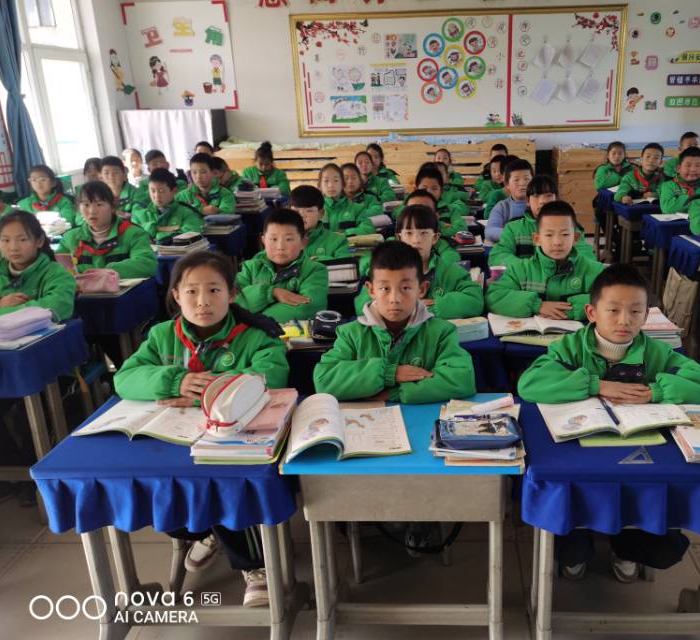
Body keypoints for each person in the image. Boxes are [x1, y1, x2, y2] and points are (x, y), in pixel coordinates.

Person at [518, 264, 700, 582]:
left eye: (635, 311)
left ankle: (627, 547)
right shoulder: (570, 348)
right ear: (592, 312)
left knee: (660, 541)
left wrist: (658, 391)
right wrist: (595, 385)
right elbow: (530, 383)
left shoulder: (656, 353)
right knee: (569, 529)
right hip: (581, 450)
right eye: (613, 310)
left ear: (646, 316)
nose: (624, 320)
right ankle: (577, 546)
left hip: (640, 451)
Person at [114, 250, 289, 608]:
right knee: (160, 488)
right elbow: (125, 378)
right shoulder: (163, 335)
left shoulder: (257, 336)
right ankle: (208, 529)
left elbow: (271, 377)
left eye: (214, 290)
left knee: (227, 482)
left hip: (232, 441)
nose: (202, 301)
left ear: (232, 294)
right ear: (176, 296)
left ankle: (254, 565)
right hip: (173, 439)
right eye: (191, 291)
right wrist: (174, 380)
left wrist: (206, 394)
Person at [314, 240, 475, 404]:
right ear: (371, 290)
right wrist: (389, 373)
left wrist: (396, 393)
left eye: (405, 288)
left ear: (421, 289)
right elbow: (324, 380)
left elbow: (462, 379)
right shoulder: (351, 334)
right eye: (385, 288)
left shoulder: (441, 332)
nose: (395, 299)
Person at [354, 205, 483, 319]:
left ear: (435, 238)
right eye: (409, 233)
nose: (416, 240)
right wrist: (407, 307)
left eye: (424, 233)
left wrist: (433, 307)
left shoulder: (448, 271)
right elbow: (362, 306)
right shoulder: (386, 269)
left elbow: (475, 301)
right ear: (399, 237)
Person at [486, 201, 606, 321]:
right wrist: (537, 305)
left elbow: (612, 298)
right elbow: (494, 296)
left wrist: (573, 309)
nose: (557, 242)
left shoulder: (594, 270)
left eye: (565, 234)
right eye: (549, 235)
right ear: (537, 239)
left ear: (575, 238)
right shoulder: (520, 269)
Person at [235, 207, 328, 323]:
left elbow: (307, 308)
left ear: (303, 242)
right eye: (273, 239)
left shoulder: (314, 270)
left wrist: (255, 321)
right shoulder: (250, 268)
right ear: (263, 241)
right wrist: (272, 292)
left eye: (288, 239)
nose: (280, 247)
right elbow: (233, 301)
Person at [57, 181, 157, 278]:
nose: (92, 211)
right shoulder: (69, 239)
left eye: (99, 204)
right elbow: (55, 269)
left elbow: (148, 265)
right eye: (86, 205)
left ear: (113, 207)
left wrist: (108, 271)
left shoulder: (133, 234)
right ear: (79, 208)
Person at [489, 175, 593, 267]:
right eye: (536, 196)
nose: (543, 201)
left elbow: (585, 255)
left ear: (556, 199)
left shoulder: (571, 227)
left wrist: (564, 267)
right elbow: (498, 255)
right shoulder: (513, 228)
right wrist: (529, 268)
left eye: (549, 196)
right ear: (527, 201)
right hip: (525, 280)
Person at [0, 211, 76, 320]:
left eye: (22, 239)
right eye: (6, 240)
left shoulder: (57, 274)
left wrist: (2, 311)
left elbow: (59, 305)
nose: (13, 247)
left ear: (39, 241)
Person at [131, 169, 204, 242]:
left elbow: (192, 232)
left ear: (174, 191)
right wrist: (164, 229)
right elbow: (133, 237)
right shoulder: (140, 214)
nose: (157, 196)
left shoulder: (187, 213)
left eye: (161, 191)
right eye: (153, 191)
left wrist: (158, 234)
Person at [288, 185, 349, 262]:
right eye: (296, 211)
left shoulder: (338, 241)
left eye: (309, 211)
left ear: (321, 213)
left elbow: (344, 266)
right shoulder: (280, 241)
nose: (302, 215)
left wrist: (316, 262)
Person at [318, 163, 378, 237]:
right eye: (326, 181)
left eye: (336, 180)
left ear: (343, 184)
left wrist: (346, 233)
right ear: (320, 185)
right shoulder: (313, 210)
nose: (331, 185)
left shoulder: (357, 208)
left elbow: (368, 228)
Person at [411, 165, 469, 237]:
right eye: (424, 188)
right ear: (416, 189)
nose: (429, 192)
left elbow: (461, 229)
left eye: (434, 188)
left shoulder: (450, 209)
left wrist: (437, 226)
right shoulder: (409, 208)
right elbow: (406, 231)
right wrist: (440, 225)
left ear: (441, 191)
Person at [485, 158, 533, 243]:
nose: (522, 183)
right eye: (516, 180)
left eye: (526, 179)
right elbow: (490, 231)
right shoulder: (502, 207)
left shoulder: (540, 204)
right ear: (507, 184)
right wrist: (515, 234)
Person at [659, 146, 700, 213]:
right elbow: (668, 208)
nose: (693, 169)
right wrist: (694, 198)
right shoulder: (668, 186)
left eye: (698, 166)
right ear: (678, 168)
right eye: (688, 165)